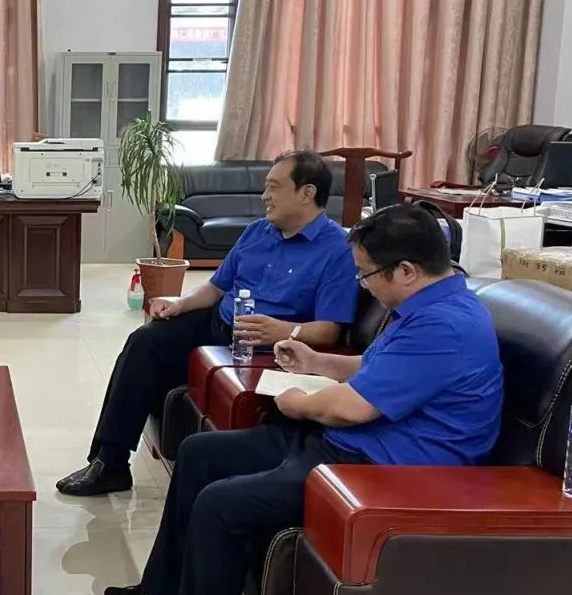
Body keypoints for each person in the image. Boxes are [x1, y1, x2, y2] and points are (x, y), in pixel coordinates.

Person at [103, 204, 504, 595]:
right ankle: (164, 593)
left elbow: (351, 409)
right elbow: (376, 368)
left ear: (406, 271)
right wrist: (316, 362)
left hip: (383, 470)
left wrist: (297, 402)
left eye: (366, 275)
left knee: (220, 505)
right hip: (351, 444)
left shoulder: (445, 326)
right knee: (200, 453)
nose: (363, 284)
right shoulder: (429, 305)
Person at [57, 151, 360, 497]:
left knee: (152, 350)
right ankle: (110, 462)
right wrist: (180, 304)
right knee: (145, 341)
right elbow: (216, 288)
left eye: (274, 187)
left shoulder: (337, 250)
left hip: (263, 347)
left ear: (307, 193)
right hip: (219, 323)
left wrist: (287, 330)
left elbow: (331, 329)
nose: (265, 196)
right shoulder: (258, 231)